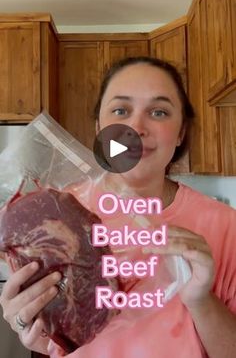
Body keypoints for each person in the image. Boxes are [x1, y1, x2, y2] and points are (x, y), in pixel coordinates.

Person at [0, 56, 236, 358]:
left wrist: (201, 300)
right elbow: (53, 341)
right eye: (121, 110)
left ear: (180, 133)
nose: (136, 127)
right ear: (100, 126)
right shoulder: (54, 214)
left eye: (159, 112)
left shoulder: (225, 226)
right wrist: (29, 325)